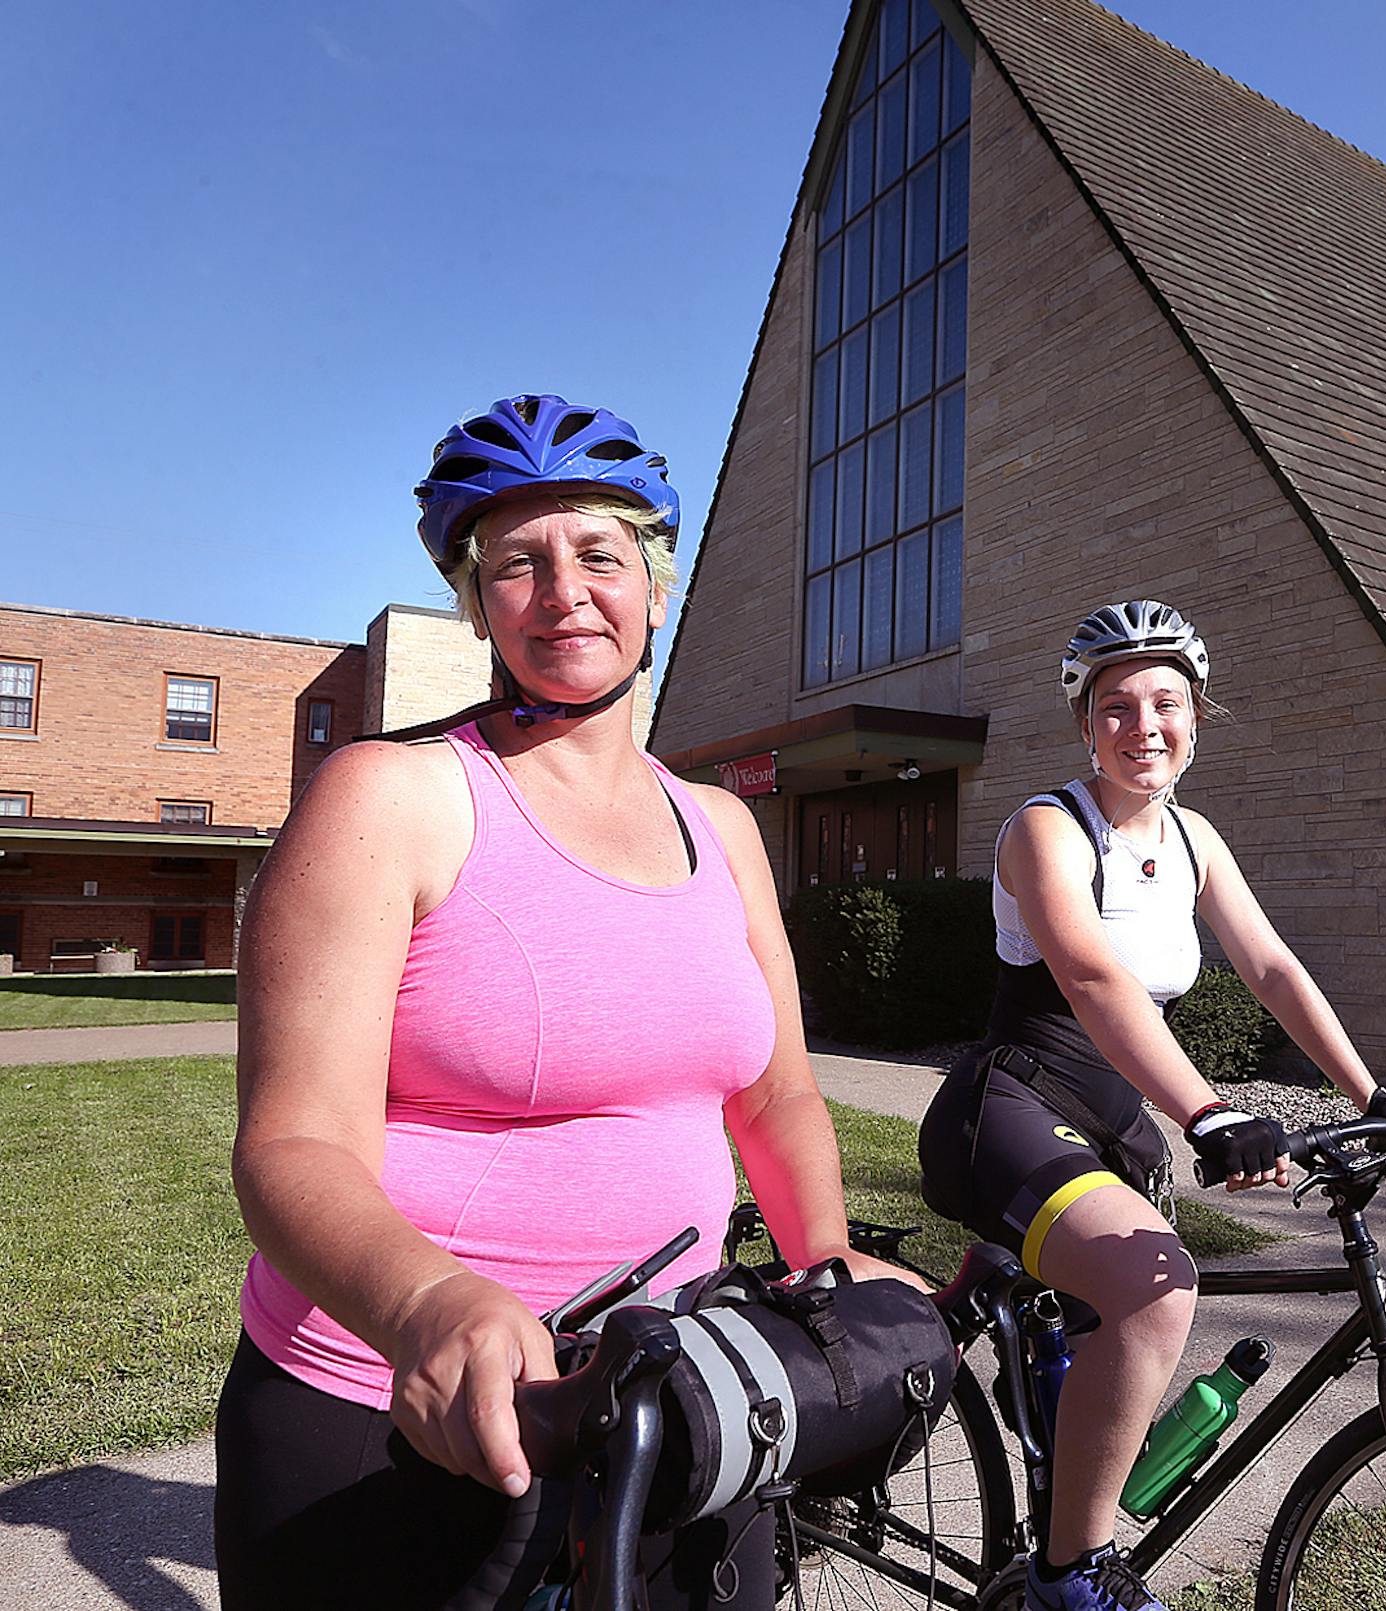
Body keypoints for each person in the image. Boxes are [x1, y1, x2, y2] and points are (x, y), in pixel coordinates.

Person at [216, 393, 918, 1610]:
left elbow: (777, 1091)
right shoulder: (394, 797)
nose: (562, 591)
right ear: (479, 602)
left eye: (598, 552)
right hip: (388, 1406)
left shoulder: (725, 827)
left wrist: (825, 1260)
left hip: (681, 1397)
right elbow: (291, 1144)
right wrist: (424, 1302)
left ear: (655, 581)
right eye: (516, 565)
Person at [917, 599, 1386, 1611]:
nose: (1143, 726)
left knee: (1105, 1337)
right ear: (1084, 725)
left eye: (1165, 704)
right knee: (1158, 1290)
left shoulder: (1196, 838)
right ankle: (1069, 1576)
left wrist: (1380, 1096)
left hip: (1112, 1120)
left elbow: (1272, 966)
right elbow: (1094, 978)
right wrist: (1207, 1114)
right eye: (1116, 707)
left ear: (1195, 717)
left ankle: (1049, 1504)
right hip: (1011, 1103)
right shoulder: (1046, 828)